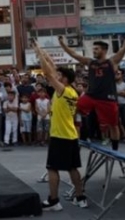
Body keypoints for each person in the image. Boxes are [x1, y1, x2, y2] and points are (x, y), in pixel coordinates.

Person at [59, 23, 125, 151]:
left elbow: (124, 48)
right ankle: (75, 138)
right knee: (73, 109)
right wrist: (63, 44)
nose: (94, 51)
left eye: (96, 49)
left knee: (113, 125)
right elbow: (74, 54)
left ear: (104, 50)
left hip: (107, 99)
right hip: (91, 96)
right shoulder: (90, 62)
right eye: (93, 49)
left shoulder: (112, 62)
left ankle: (115, 150)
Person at [32, 40, 87, 211]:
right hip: (71, 135)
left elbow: (48, 72)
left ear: (66, 80)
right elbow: (53, 67)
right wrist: (41, 49)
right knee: (72, 168)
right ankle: (80, 197)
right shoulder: (71, 92)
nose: (57, 77)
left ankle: (54, 201)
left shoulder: (63, 90)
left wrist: (39, 54)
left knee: (52, 168)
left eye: (60, 76)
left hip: (60, 135)